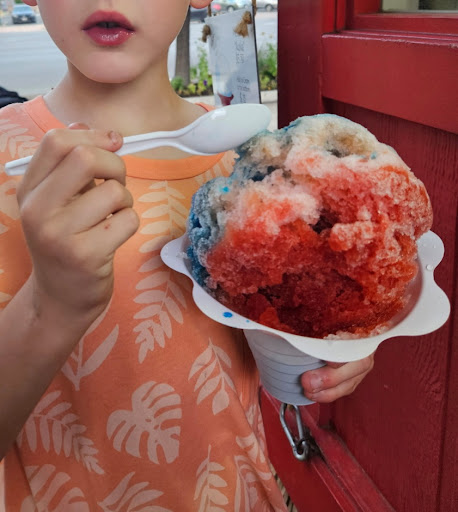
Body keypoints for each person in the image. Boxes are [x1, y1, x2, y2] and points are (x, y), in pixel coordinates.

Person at [0, 1, 374, 509]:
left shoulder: (247, 158)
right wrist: (51, 306)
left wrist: (333, 332)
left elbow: (276, 315)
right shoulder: (10, 161)